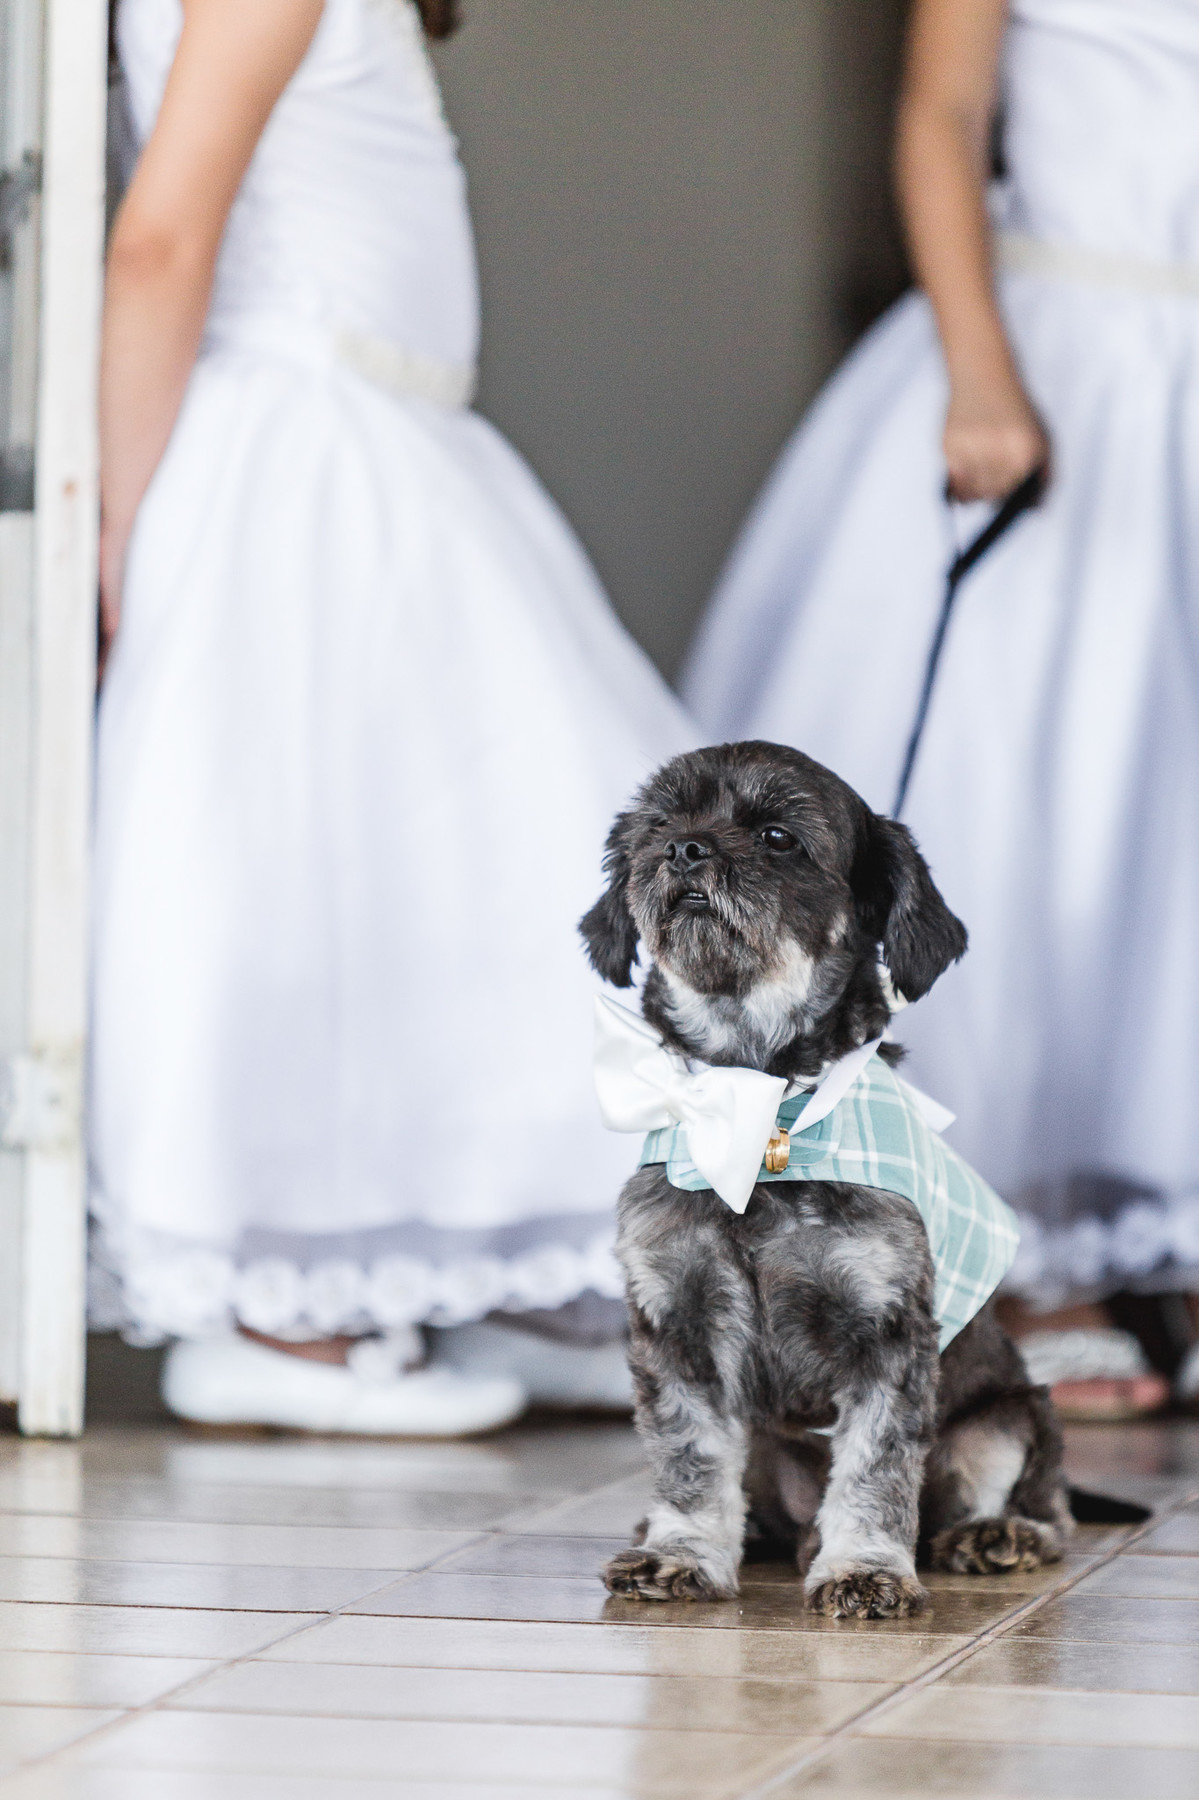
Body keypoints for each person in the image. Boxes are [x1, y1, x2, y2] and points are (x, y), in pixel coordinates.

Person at [92, 0, 693, 1434]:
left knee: (445, 869)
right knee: (304, 871)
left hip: (383, 432)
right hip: (304, 441)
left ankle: (471, 1266)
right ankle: (277, 1311)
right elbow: (160, 242)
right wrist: (117, 535)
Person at [684, 0, 1199, 1419]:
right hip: (1067, 343)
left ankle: (1173, 1243)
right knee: (1050, 792)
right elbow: (943, 115)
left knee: (1173, 828)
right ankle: (1030, 1257)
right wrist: (979, 367)